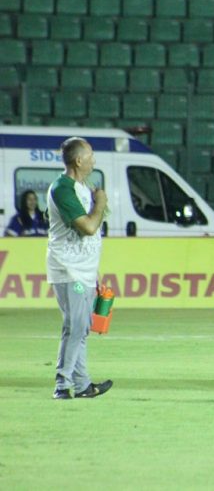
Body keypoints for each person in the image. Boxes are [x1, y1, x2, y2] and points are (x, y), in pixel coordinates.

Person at [48, 137, 113, 399]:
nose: (94, 161)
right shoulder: (63, 188)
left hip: (83, 270)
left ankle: (83, 384)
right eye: (91, 156)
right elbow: (87, 227)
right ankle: (62, 384)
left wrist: (93, 271)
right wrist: (100, 203)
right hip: (69, 270)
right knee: (74, 326)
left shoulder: (81, 187)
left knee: (81, 327)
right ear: (78, 160)